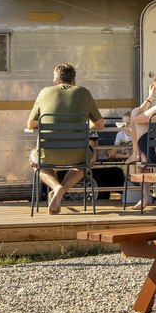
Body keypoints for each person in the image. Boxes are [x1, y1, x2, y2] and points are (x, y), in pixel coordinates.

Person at [27, 63, 101, 214]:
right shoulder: (83, 92)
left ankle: (56, 188)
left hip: (48, 152)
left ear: (55, 80)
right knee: (84, 164)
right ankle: (62, 191)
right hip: (77, 154)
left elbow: (30, 124)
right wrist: (84, 125)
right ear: (74, 80)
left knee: (37, 163)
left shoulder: (44, 92)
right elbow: (99, 124)